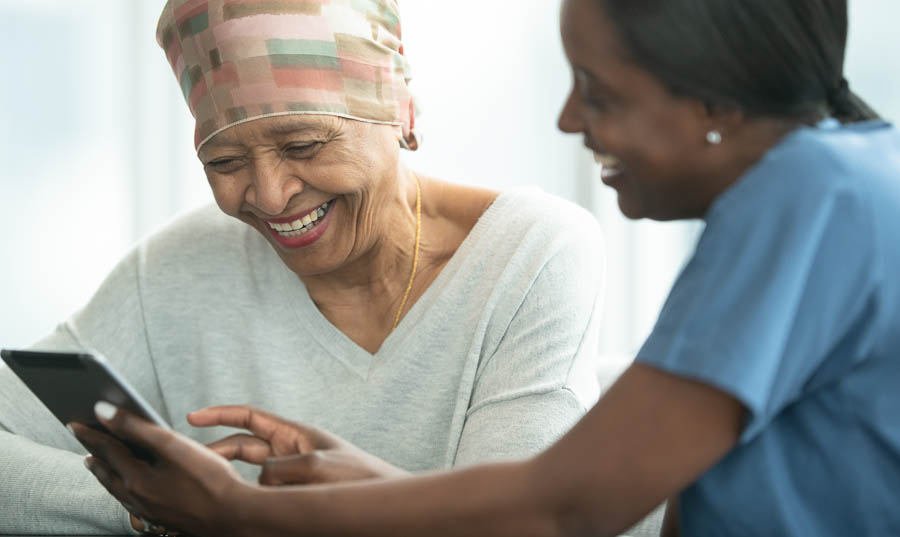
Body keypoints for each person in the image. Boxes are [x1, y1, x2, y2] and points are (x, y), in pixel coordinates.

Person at [71, 0, 900, 535]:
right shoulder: (850, 179)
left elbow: (569, 503)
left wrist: (239, 514)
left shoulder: (810, 197)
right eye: (225, 157)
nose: (568, 118)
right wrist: (372, 488)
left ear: (716, 99)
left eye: (599, 92)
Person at [0, 1, 611, 534]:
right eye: (226, 159)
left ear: (396, 110)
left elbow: (508, 527)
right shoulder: (178, 266)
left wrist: (236, 513)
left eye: (303, 146)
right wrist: (153, 509)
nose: (268, 195)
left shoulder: (530, 254)